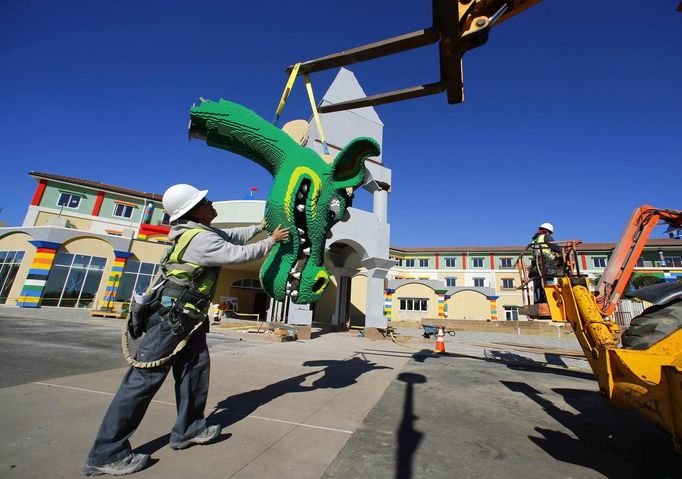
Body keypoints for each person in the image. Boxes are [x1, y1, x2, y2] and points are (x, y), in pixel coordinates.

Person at [83, 183, 289, 476]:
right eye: (205, 200)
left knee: (194, 372)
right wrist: (272, 240)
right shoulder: (200, 241)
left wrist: (258, 227)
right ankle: (105, 453)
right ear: (194, 211)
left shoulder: (201, 233)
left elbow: (232, 237)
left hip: (187, 319)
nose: (211, 201)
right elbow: (236, 254)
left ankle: (190, 429)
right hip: (171, 319)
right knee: (142, 382)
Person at [529, 222, 562, 303]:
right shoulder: (546, 237)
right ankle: (549, 302)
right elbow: (555, 247)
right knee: (548, 283)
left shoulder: (535, 239)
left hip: (536, 265)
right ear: (548, 231)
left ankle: (538, 302)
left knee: (537, 284)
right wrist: (562, 250)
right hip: (546, 263)